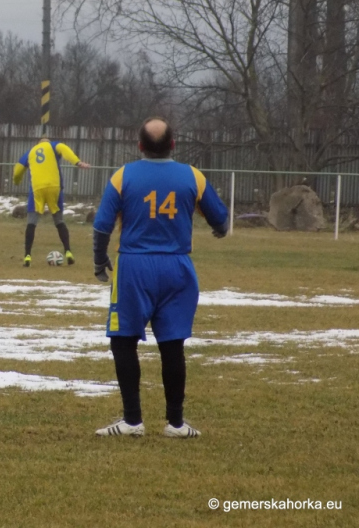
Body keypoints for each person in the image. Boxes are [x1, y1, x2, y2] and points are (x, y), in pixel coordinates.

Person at [92, 117, 228, 438]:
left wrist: (100, 261)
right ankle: (176, 424)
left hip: (134, 267)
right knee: (172, 344)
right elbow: (220, 219)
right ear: (173, 145)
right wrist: (218, 229)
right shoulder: (192, 176)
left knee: (123, 341)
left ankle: (132, 420)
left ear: (139, 146)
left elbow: (101, 225)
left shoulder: (123, 176)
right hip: (177, 267)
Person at [13, 135, 91, 267]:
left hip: (37, 188)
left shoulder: (30, 152)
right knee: (59, 220)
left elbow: (18, 170)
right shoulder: (54, 145)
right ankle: (68, 252)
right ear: (48, 141)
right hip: (55, 187)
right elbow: (65, 150)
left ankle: (27, 256)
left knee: (31, 222)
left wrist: (16, 181)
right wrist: (78, 162)